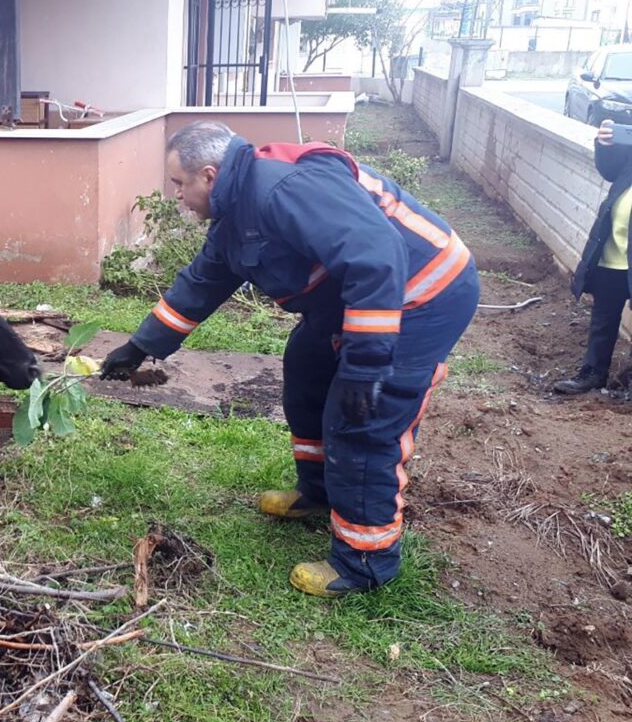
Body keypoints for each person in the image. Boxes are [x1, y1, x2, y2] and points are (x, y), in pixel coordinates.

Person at [100, 121, 480, 598]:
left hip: (421, 296)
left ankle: (366, 560)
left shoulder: (283, 187)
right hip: (351, 300)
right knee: (306, 369)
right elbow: (203, 281)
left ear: (210, 176)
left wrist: (366, 365)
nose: (176, 195)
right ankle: (320, 493)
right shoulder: (239, 210)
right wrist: (140, 347)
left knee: (361, 417)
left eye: (179, 183)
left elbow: (375, 257)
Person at [553, 120, 632, 395]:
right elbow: (610, 169)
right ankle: (593, 372)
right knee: (603, 317)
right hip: (614, 253)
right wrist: (605, 144)